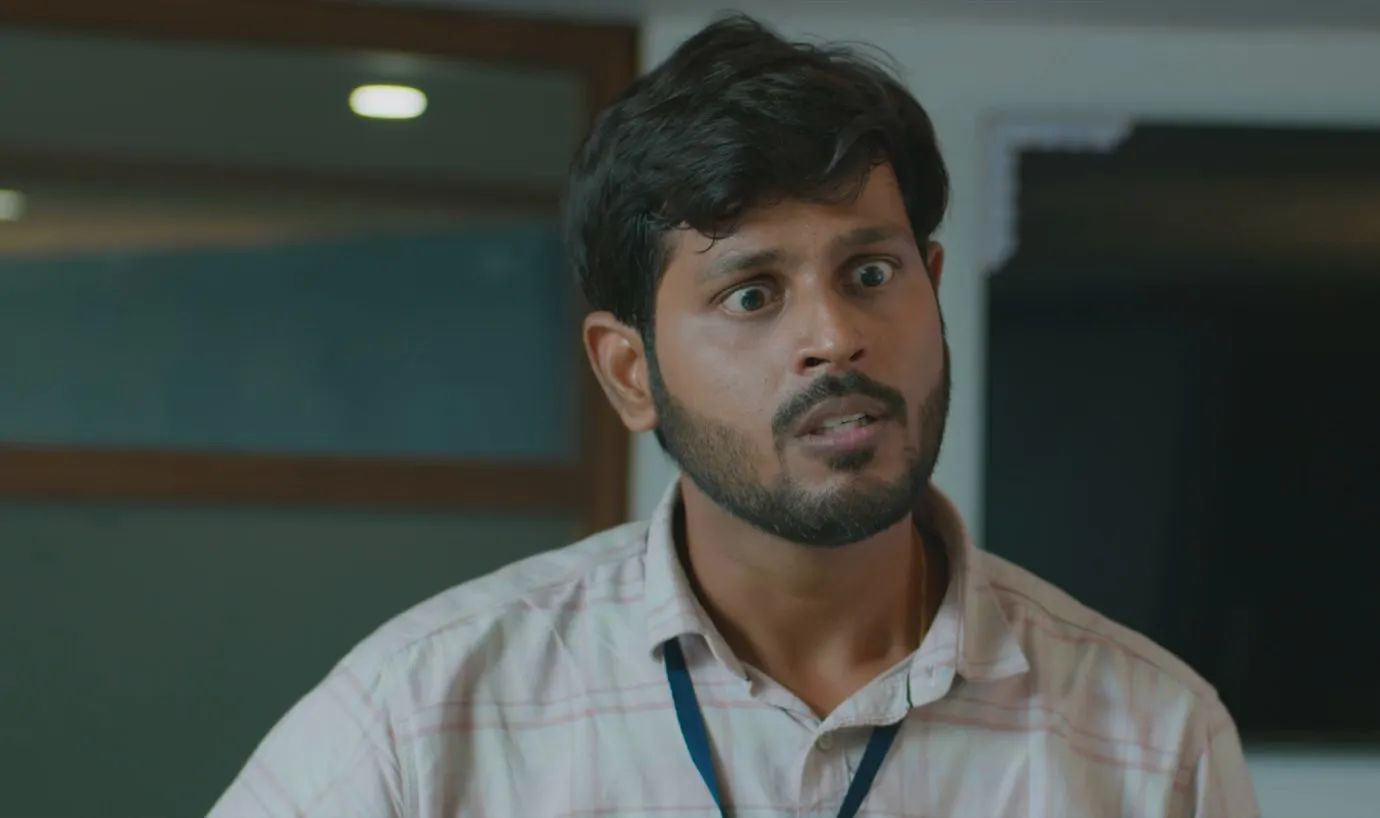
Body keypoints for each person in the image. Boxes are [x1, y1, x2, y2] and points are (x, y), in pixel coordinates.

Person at [209, 14, 1257, 818]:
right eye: (753, 294)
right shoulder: (424, 714)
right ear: (630, 372)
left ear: (934, 291)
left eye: (872, 272)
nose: (835, 337)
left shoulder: (1150, 742)